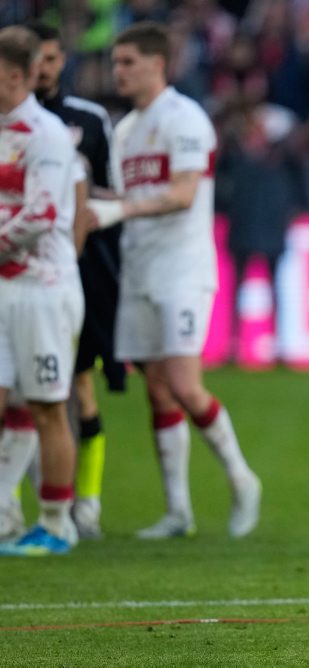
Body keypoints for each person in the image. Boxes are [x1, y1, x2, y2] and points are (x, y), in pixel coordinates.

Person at [85, 22, 261, 539]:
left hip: (182, 269)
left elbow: (184, 194)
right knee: (158, 391)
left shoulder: (185, 119)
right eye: (116, 63)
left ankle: (242, 478)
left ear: (157, 64)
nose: (118, 72)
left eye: (128, 62)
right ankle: (178, 511)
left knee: (184, 384)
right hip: (138, 268)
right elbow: (128, 197)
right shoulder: (124, 130)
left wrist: (119, 211)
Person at [29, 20, 122, 539]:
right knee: (23, 393)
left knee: (79, 386)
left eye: (50, 58)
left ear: (62, 60)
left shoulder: (87, 119)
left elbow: (113, 194)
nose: (42, 69)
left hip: (75, 270)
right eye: (33, 61)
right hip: (17, 272)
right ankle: (35, 506)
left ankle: (85, 503)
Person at [0, 25, 83, 555]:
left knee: (48, 407)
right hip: (4, 286)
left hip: (43, 286)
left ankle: (56, 524)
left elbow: (42, 214)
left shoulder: (46, 134)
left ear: (13, 75)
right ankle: (5, 514)